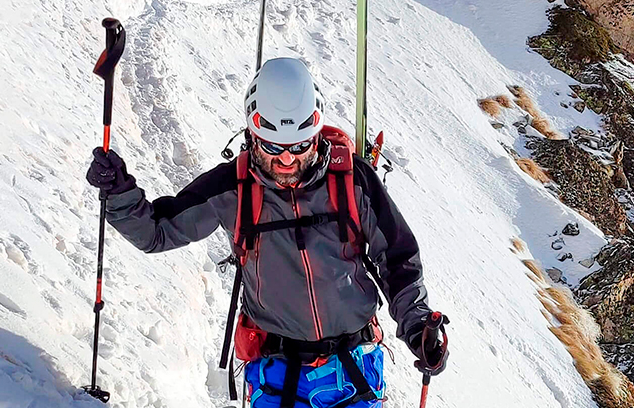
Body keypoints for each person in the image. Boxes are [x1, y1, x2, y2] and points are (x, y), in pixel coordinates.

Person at [86, 58, 448, 407]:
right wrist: (119, 193)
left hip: (353, 367)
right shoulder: (233, 188)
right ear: (253, 134)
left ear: (316, 134)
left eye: (299, 146)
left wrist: (418, 326)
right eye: (273, 147)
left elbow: (397, 259)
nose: (287, 160)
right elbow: (156, 232)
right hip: (277, 373)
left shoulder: (352, 181)